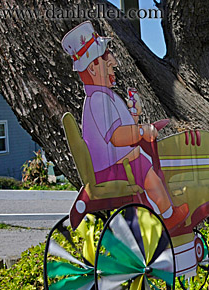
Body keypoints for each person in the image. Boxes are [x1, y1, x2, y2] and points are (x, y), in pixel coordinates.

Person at [61, 21, 188, 230]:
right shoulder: (99, 100)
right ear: (93, 67)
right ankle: (168, 215)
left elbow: (120, 133)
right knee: (147, 171)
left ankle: (153, 217)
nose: (115, 67)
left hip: (116, 164)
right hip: (112, 170)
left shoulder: (104, 97)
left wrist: (134, 117)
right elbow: (117, 137)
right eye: (109, 65)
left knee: (145, 160)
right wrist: (141, 131)